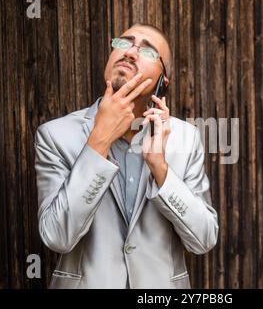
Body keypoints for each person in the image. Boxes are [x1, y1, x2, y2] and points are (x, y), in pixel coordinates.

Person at [34, 23, 219, 288]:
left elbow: (203, 239)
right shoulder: (55, 135)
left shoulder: (186, 138)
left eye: (148, 51)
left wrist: (161, 169)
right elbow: (57, 237)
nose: (131, 52)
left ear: (161, 84)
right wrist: (99, 142)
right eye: (124, 43)